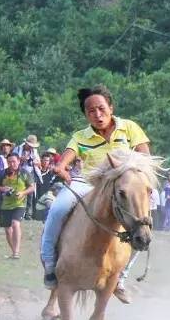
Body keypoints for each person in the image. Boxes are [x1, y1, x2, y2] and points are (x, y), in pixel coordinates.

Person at [40, 85, 151, 302]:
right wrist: (61, 167)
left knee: (142, 224)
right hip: (88, 183)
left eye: (101, 108)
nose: (97, 115)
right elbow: (67, 156)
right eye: (91, 111)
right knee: (57, 209)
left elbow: (145, 156)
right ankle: (50, 264)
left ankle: (121, 277)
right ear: (86, 114)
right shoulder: (80, 136)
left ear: (111, 108)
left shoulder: (129, 128)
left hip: (122, 186)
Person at [0, 152, 34, 259]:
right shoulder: (2, 174)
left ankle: (16, 253)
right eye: (9, 162)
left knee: (15, 224)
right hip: (5, 205)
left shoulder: (24, 173)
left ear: (19, 161)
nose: (11, 164)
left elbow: (32, 187)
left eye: (14, 161)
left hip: (20, 204)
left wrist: (23, 193)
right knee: (7, 230)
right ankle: (14, 252)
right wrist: (3, 189)